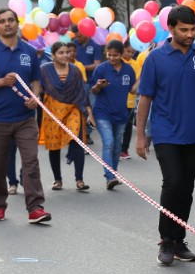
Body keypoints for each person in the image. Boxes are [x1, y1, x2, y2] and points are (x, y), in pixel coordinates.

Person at [135, 5, 195, 266]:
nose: (190, 35)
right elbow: (145, 98)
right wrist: (141, 135)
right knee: (174, 183)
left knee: (186, 188)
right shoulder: (155, 58)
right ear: (171, 28)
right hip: (166, 133)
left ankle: (179, 241)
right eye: (184, 30)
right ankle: (166, 240)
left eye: (193, 30)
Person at [0, 8, 50, 224]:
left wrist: (35, 96)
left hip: (25, 118)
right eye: (3, 21)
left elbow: (36, 80)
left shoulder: (29, 52)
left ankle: (35, 207)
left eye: (11, 20)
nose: (7, 24)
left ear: (17, 24)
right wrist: (1, 82)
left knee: (31, 162)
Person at [40, 40, 92, 191]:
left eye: (67, 52)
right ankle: (57, 180)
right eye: (61, 53)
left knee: (77, 142)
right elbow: (38, 87)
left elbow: (82, 92)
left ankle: (79, 180)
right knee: (54, 146)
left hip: (72, 109)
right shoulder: (44, 69)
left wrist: (89, 112)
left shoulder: (75, 70)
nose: (65, 55)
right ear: (53, 55)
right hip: (52, 111)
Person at [91, 39, 136, 190]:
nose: (111, 58)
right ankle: (110, 177)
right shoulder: (101, 69)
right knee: (109, 143)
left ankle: (113, 175)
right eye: (109, 55)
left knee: (117, 147)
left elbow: (133, 90)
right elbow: (93, 91)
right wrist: (98, 86)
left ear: (121, 54)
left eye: (115, 55)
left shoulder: (128, 70)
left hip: (121, 114)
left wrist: (146, 76)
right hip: (103, 112)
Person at [119, 43, 142, 160]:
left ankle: (124, 150)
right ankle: (116, 148)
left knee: (127, 126)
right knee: (118, 126)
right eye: (128, 51)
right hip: (118, 101)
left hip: (130, 101)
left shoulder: (135, 64)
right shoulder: (118, 63)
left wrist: (136, 88)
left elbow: (138, 78)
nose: (130, 54)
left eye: (132, 52)